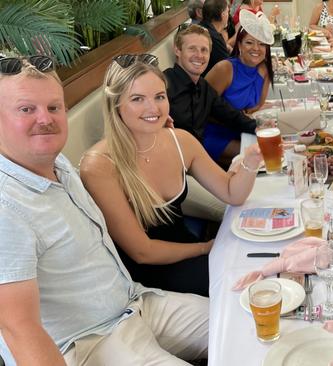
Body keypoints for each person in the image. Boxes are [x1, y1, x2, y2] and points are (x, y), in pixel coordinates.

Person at [0, 56, 208, 365]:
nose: (45, 119)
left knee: (247, 317)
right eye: (26, 109)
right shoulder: (7, 206)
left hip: (135, 303)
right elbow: (18, 328)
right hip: (90, 341)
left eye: (54, 107)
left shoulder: (59, 165)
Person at [79, 54, 263, 297]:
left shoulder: (181, 141)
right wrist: (206, 248)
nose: (153, 108)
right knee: (246, 285)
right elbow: (142, 252)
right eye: (137, 99)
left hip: (186, 249)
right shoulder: (99, 165)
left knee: (262, 265)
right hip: (149, 272)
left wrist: (251, 161)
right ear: (116, 105)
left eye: (159, 97)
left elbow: (231, 192)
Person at [165, 24, 256, 166]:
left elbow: (231, 115)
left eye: (204, 50)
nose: (199, 55)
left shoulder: (204, 87)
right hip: (173, 166)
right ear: (177, 50)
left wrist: (260, 128)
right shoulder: (164, 86)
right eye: (192, 49)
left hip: (197, 162)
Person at [205, 10, 274, 114]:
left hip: (246, 126)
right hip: (220, 128)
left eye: (262, 44)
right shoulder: (225, 69)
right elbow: (204, 108)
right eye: (249, 42)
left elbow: (257, 106)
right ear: (239, 45)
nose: (256, 48)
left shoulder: (264, 70)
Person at [199, 0, 230, 76]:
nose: (229, 15)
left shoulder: (201, 27)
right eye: (228, 12)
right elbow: (228, 66)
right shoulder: (213, 38)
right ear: (223, 15)